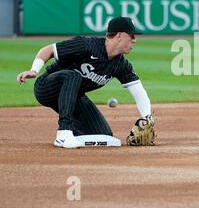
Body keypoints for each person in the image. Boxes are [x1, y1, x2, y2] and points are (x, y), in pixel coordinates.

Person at [16, 17, 155, 148]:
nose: (134, 40)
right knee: (73, 76)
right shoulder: (86, 45)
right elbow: (48, 50)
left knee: (102, 134)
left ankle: (74, 134)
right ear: (120, 35)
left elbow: (138, 91)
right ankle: (64, 133)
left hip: (73, 98)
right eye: (132, 36)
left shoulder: (121, 65)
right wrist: (34, 70)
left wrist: (146, 118)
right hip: (47, 87)